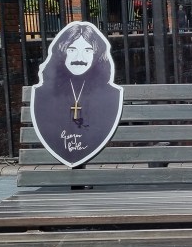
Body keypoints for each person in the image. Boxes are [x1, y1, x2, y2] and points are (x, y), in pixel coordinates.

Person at [30, 21, 123, 168]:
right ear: (62, 52)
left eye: (87, 51)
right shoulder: (42, 94)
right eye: (72, 50)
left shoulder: (111, 95)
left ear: (97, 55)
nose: (80, 58)